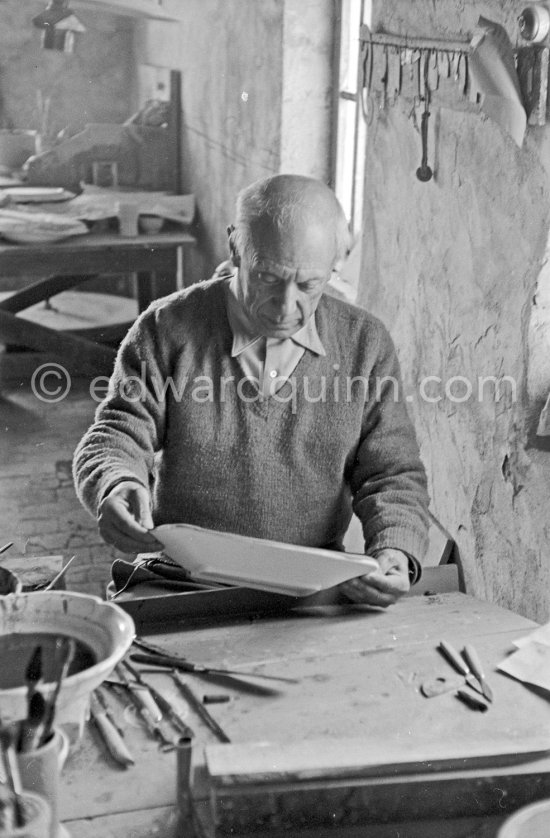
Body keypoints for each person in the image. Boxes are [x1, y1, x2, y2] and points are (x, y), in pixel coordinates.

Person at [73, 174, 429, 607]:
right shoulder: (168, 328)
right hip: (181, 578)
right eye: (267, 278)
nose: (285, 306)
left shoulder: (364, 344)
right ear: (235, 248)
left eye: (309, 285)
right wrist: (116, 482)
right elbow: (117, 432)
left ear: (336, 264)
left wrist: (394, 549)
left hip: (309, 582)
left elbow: (391, 473)